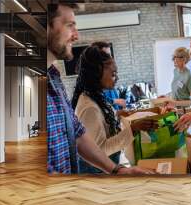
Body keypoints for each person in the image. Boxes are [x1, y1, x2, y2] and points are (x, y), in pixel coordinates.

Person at [47, 3, 154, 175]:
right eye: (70, 25)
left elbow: (79, 136)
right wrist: (132, 130)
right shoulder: (89, 105)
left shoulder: (55, 79)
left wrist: (117, 170)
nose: (76, 36)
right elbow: (100, 146)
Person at [70, 46, 158, 173]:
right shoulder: (89, 107)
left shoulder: (94, 96)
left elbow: (100, 124)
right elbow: (100, 150)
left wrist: (117, 114)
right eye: (113, 74)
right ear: (98, 72)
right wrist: (132, 130)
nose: (116, 78)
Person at [90, 41, 126, 110]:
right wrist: (115, 101)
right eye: (107, 55)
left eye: (110, 55)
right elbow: (95, 98)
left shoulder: (108, 72)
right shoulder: (93, 78)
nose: (111, 58)